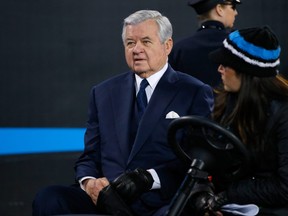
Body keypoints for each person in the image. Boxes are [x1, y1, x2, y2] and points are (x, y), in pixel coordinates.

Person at [32, 9, 214, 216]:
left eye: (146, 42)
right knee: (50, 198)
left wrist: (147, 179)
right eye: (130, 43)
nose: (136, 49)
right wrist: (89, 182)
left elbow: (196, 161)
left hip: (158, 202)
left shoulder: (193, 91)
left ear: (167, 46)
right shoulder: (103, 93)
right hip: (106, 200)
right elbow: (89, 157)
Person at [190, 26, 288, 215]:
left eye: (225, 64)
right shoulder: (227, 100)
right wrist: (204, 192)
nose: (219, 69)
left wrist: (227, 196)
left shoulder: (283, 114)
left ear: (246, 71)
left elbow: (284, 187)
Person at [169, 0, 241, 88]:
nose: (236, 13)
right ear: (219, 9)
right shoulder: (238, 45)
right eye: (233, 7)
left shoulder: (179, 49)